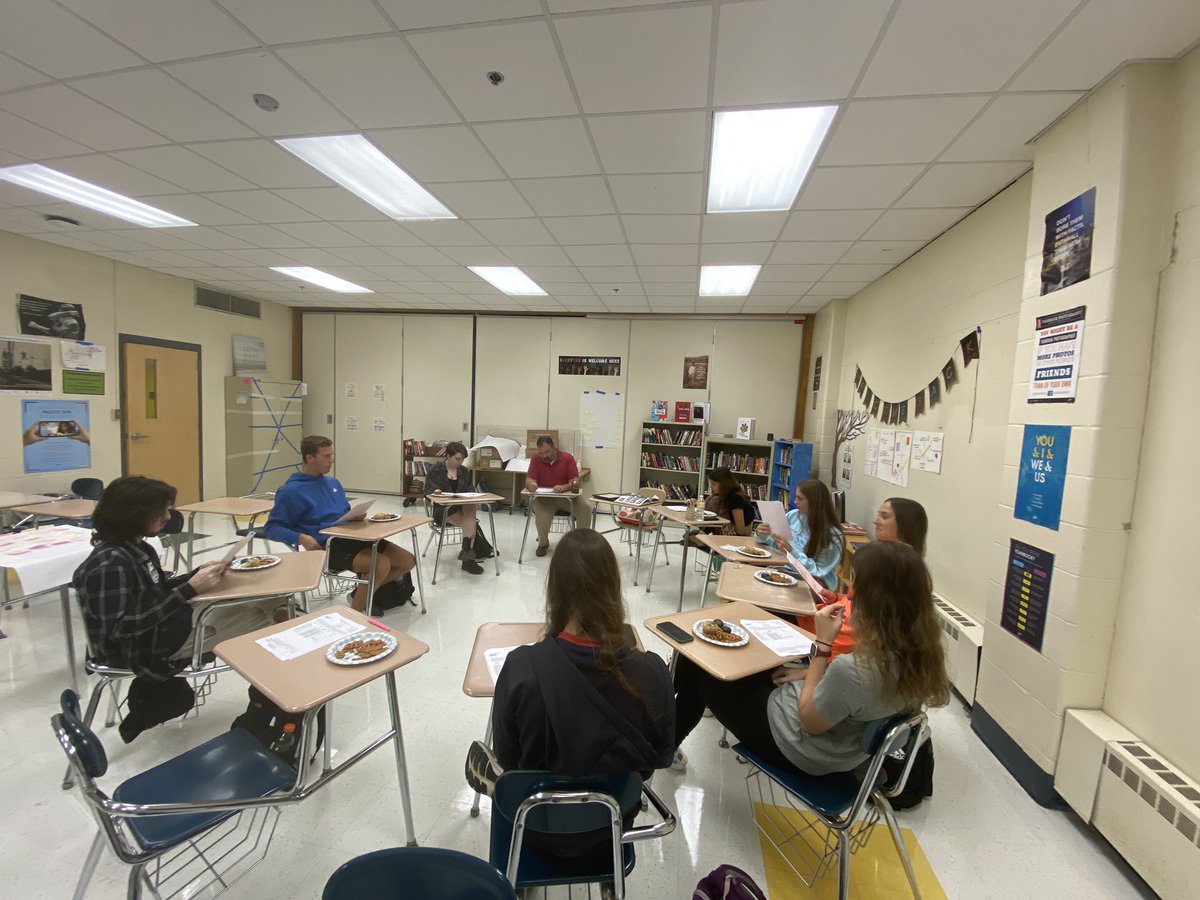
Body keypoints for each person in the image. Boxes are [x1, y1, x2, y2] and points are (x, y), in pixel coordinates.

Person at [466, 529, 675, 853]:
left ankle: (495, 785)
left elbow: (511, 757)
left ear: (555, 591)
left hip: (534, 825)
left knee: (504, 769)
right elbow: (646, 767)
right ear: (613, 588)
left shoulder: (521, 668)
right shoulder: (652, 674)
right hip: (613, 825)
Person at [672, 540, 948, 776]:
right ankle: (662, 732)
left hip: (798, 747)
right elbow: (854, 696)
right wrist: (807, 674)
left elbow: (810, 722)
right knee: (754, 663)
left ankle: (661, 742)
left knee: (695, 662)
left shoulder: (853, 670)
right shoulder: (919, 657)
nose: (850, 598)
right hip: (842, 747)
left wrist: (823, 647)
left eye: (855, 591)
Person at [72, 476, 278, 740]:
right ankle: (264, 715)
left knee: (271, 601)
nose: (168, 517)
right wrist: (189, 589)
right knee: (272, 621)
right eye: (161, 511)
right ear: (133, 515)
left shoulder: (138, 548)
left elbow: (155, 591)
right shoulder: (109, 563)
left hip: (164, 628)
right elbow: (122, 629)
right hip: (143, 649)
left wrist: (196, 575)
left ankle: (268, 706)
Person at [265, 435, 415, 613]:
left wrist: (354, 516)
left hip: (352, 535)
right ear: (309, 458)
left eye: (332, 455)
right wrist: (301, 537)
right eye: (326, 456)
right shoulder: (290, 491)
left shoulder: (332, 483)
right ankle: (356, 613)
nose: (332, 460)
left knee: (407, 560)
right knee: (380, 564)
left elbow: (343, 511)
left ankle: (360, 594)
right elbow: (272, 528)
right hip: (327, 546)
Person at [755, 479, 845, 590]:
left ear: (814, 502)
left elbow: (819, 571)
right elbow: (773, 543)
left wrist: (791, 551)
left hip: (813, 580)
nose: (795, 501)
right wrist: (761, 534)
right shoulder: (793, 516)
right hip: (786, 569)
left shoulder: (832, 535)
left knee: (772, 587)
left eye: (800, 498)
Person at [424, 440, 485, 575]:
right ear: (448, 456)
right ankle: (467, 559)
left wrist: (467, 497)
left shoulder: (463, 471)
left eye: (462, 459)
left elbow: (471, 491)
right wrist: (446, 497)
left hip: (461, 507)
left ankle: (466, 551)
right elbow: (429, 494)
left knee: (470, 508)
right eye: (457, 459)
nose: (460, 462)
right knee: (470, 521)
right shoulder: (436, 470)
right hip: (442, 509)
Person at [524, 434, 590, 558]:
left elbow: (575, 481)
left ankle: (583, 543)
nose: (544, 455)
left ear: (554, 447)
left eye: (547, 451)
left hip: (566, 497)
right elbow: (529, 480)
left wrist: (564, 487)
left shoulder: (567, 458)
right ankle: (543, 544)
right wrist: (531, 485)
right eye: (541, 453)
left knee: (585, 508)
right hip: (545, 499)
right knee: (542, 516)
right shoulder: (536, 458)